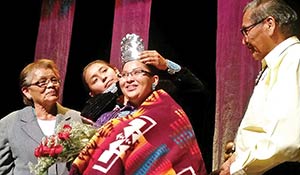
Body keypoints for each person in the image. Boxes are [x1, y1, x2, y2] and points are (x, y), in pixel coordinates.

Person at [69, 58, 208, 175]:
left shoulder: (165, 99)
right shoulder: (105, 119)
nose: (104, 77)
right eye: (95, 80)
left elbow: (196, 89)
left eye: (104, 71)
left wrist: (166, 64)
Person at [219, 0, 300, 174]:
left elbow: (286, 140)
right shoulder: (277, 62)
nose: (243, 41)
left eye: (246, 31)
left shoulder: (294, 59)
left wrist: (238, 167)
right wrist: (237, 157)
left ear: (269, 25)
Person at [0, 58, 83, 175]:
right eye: (42, 82)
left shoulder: (75, 118)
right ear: (27, 91)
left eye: (54, 80)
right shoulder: (10, 123)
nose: (50, 85)